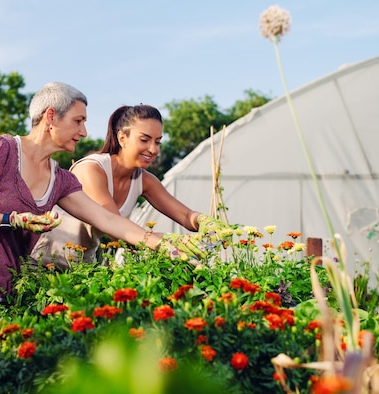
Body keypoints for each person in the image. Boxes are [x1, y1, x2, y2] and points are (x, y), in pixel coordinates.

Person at [0, 83, 199, 394]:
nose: (84, 132)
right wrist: (12, 220)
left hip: (2, 290)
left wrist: (164, 245)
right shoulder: (1, 149)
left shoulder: (60, 179)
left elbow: (107, 219)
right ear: (51, 117)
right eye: (79, 121)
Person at [32, 104, 233, 270]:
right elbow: (115, 229)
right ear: (122, 138)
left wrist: (205, 222)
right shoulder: (91, 169)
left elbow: (184, 215)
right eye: (144, 140)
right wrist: (176, 242)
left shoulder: (144, 180)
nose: (153, 149)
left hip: (82, 267)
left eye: (158, 142)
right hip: (42, 262)